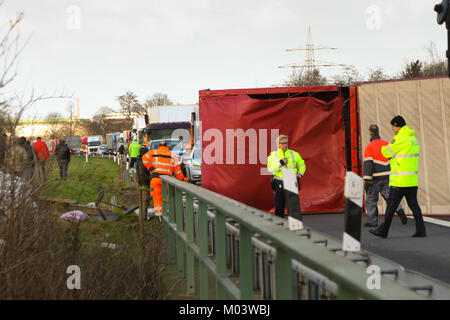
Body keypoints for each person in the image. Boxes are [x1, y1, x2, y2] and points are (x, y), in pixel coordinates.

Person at [369, 116, 426, 238]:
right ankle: (421, 230)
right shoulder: (412, 139)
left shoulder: (399, 139)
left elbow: (386, 152)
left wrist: (385, 147)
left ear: (397, 126)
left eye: (393, 126)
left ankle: (383, 231)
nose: (392, 128)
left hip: (400, 180)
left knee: (391, 205)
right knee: (414, 205)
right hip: (411, 180)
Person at [363, 124, 406, 227]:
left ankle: (372, 222)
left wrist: (367, 180)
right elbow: (394, 160)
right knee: (389, 196)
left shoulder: (369, 147)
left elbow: (368, 164)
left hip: (375, 178)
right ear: (378, 132)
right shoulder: (387, 144)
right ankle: (399, 208)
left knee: (371, 198)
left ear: (370, 133)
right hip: (388, 175)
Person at [142, 140, 189, 217]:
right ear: (167, 146)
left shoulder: (153, 152)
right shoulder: (172, 155)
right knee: (167, 197)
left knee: (157, 197)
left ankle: (159, 216)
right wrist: (183, 179)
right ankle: (168, 214)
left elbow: (144, 158)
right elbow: (177, 170)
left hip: (155, 179)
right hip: (167, 180)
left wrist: (150, 168)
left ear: (159, 146)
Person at [267, 135, 306, 218]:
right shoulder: (273, 155)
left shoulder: (294, 154)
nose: (285, 144)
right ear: (278, 144)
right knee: (279, 206)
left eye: (286, 143)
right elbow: (270, 169)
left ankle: (295, 226)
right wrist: (280, 163)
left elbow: (302, 165)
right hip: (280, 182)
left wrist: (300, 173)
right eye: (283, 143)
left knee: (293, 207)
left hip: (292, 181)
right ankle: (279, 227)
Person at [135, 146, 152, 219]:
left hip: (141, 182)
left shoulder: (139, 160)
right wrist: (149, 179)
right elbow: (142, 174)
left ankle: (143, 216)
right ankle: (142, 218)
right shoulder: (143, 161)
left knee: (143, 200)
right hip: (144, 183)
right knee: (145, 200)